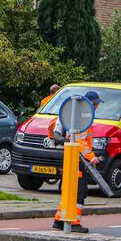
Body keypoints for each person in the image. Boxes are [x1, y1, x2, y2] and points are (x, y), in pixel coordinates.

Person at [49, 89, 103, 233]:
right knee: (79, 191)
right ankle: (74, 222)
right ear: (90, 103)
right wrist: (91, 157)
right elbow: (80, 142)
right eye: (96, 104)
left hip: (69, 157)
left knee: (67, 189)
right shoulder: (83, 118)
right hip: (78, 159)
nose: (97, 107)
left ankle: (59, 220)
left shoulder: (71, 114)